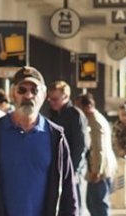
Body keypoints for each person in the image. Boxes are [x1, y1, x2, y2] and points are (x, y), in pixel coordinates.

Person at [0, 66, 79, 216]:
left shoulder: (55, 137)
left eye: (35, 90)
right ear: (13, 94)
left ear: (44, 95)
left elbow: (68, 190)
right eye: (22, 90)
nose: (28, 95)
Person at [47, 81, 90, 209]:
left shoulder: (75, 115)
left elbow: (81, 145)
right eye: (50, 99)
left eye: (55, 99)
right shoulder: (52, 115)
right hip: (57, 170)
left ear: (65, 97)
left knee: (74, 206)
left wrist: (74, 171)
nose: (51, 102)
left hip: (73, 170)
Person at [77, 94, 118, 216]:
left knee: (98, 205)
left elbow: (98, 148)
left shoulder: (94, 121)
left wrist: (96, 171)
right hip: (102, 168)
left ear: (88, 106)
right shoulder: (97, 118)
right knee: (95, 204)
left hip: (100, 171)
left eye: (79, 107)